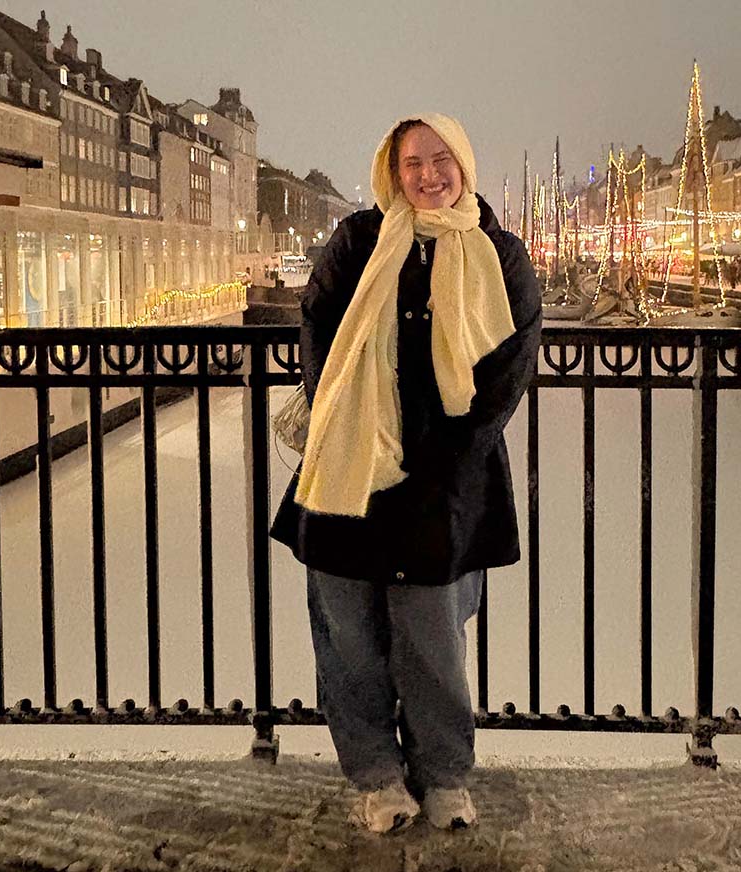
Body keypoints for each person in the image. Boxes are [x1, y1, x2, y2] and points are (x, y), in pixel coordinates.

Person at [270, 113, 542, 834]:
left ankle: (445, 776)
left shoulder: (499, 253)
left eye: (441, 159)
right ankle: (377, 778)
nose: (428, 174)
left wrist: (451, 460)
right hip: (348, 474)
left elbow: (509, 368)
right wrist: (358, 424)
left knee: (435, 641)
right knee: (350, 639)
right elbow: (319, 327)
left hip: (447, 480)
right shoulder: (359, 239)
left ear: (465, 165)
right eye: (412, 161)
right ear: (391, 170)